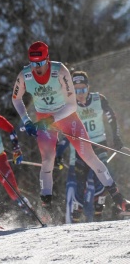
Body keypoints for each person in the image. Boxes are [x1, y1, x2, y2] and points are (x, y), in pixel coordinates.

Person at [11, 41, 130, 221]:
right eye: (34, 63)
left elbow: (72, 104)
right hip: (44, 118)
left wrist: (51, 120)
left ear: (47, 59)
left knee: (89, 156)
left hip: (65, 115)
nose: (38, 68)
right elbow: (16, 98)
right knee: (48, 159)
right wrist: (27, 120)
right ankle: (46, 207)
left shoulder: (61, 71)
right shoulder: (25, 76)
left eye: (41, 63)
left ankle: (119, 199)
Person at [56, 71, 126, 222]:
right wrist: (58, 153)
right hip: (80, 148)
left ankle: (99, 212)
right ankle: (76, 217)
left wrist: (116, 137)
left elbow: (111, 117)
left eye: (83, 89)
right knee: (80, 185)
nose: (80, 94)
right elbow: (63, 133)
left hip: (99, 143)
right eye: (76, 90)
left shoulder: (99, 99)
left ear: (88, 88)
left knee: (100, 177)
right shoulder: (69, 106)